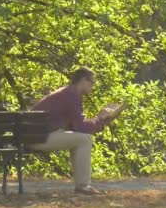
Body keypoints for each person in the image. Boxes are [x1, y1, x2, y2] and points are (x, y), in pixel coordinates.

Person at [29, 67, 113, 195]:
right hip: (37, 138)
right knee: (84, 139)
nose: (93, 85)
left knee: (80, 139)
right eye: (92, 82)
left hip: (33, 135)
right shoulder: (72, 96)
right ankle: (83, 186)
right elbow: (82, 128)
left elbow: (76, 127)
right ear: (83, 80)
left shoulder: (68, 93)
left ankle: (82, 185)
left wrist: (101, 122)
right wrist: (100, 119)